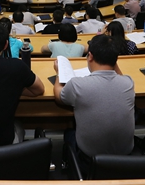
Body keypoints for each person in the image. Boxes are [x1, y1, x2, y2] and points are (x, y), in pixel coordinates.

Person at [54, 34, 135, 174]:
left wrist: (58, 73)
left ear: (90, 56)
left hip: (90, 160)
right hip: (126, 157)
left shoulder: (77, 85)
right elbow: (120, 76)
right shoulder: (128, 83)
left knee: (69, 132)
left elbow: (58, 96)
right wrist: (111, 59)